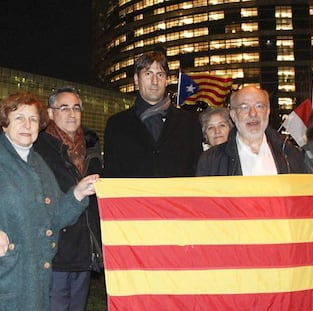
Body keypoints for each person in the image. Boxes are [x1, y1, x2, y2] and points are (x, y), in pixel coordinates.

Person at [0, 92, 98, 311]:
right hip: (7, 280)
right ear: (5, 125)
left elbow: (55, 216)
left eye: (33, 119)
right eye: (19, 118)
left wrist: (78, 194)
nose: (27, 124)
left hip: (36, 281)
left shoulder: (37, 163)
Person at [33, 87, 103, 311]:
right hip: (55, 251)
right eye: (64, 107)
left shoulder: (92, 147)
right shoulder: (38, 148)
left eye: (76, 108)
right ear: (50, 113)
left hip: (84, 249)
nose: (71, 113)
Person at [103, 50, 203, 177]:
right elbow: (111, 174)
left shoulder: (190, 123)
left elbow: (197, 172)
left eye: (160, 75)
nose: (155, 81)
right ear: (136, 79)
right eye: (148, 73)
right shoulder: (116, 125)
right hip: (135, 197)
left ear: (166, 80)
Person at [196, 86, 305, 176]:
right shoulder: (211, 161)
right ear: (233, 115)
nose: (253, 113)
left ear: (267, 112)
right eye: (244, 107)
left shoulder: (290, 154)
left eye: (259, 106)